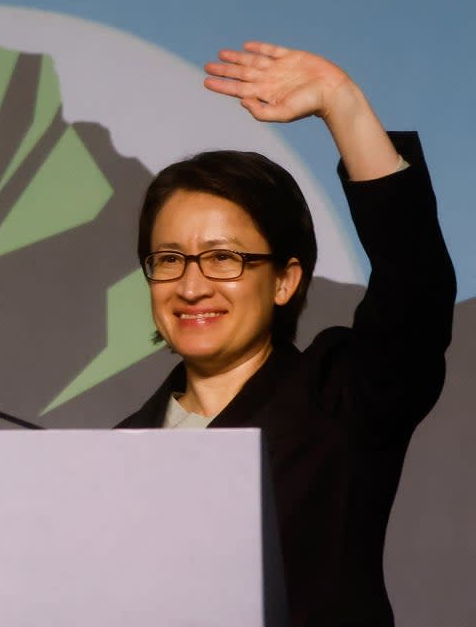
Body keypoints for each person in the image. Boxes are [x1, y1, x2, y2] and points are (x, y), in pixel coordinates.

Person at [118, 41, 455, 625]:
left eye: (223, 258)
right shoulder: (121, 447)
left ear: (284, 280)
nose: (191, 285)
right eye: (169, 258)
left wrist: (341, 105)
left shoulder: (340, 398)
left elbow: (414, 288)